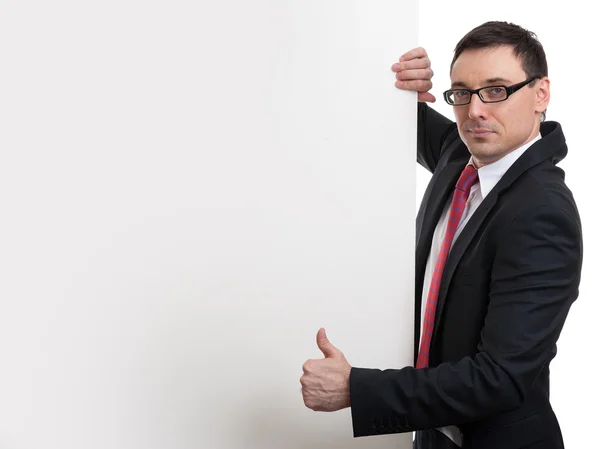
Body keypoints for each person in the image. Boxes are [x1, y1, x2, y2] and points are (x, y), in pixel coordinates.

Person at [299, 21, 583, 449]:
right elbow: (387, 110)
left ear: (541, 93)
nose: (475, 111)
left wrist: (356, 390)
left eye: (496, 90)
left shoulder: (542, 212)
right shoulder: (460, 154)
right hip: (434, 436)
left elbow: (500, 378)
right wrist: (397, 70)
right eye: (462, 92)